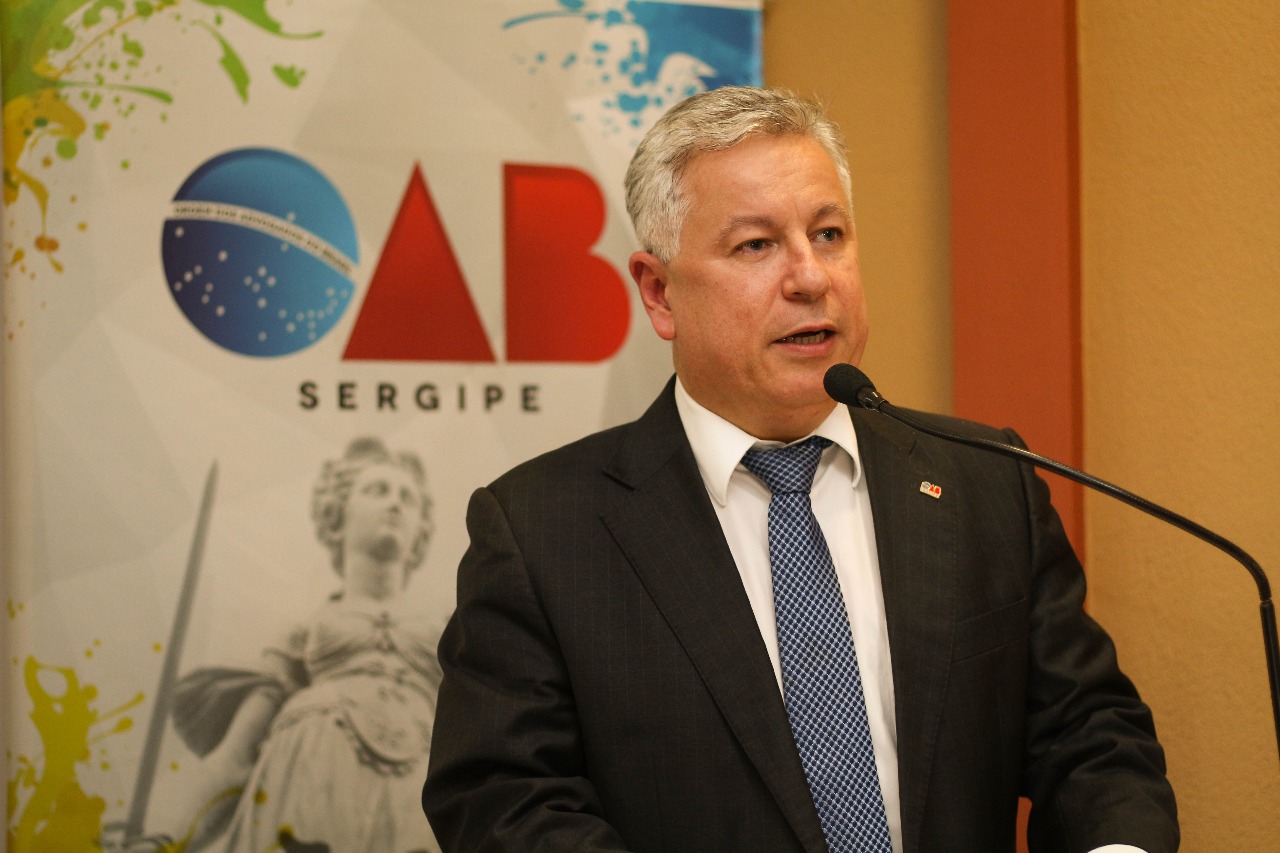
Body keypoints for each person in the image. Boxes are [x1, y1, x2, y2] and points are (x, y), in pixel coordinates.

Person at [421, 86, 1178, 852]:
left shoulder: (985, 484)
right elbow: (503, 802)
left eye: (829, 234)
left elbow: (1091, 735)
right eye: (756, 245)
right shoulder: (543, 530)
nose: (811, 277)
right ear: (659, 292)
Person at [169, 437, 443, 852]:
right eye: (377, 490)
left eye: (408, 497)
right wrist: (166, 837)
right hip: (310, 776)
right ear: (338, 516)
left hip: (415, 796)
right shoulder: (305, 631)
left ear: (421, 530)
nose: (395, 504)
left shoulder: (451, 633)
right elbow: (234, 759)